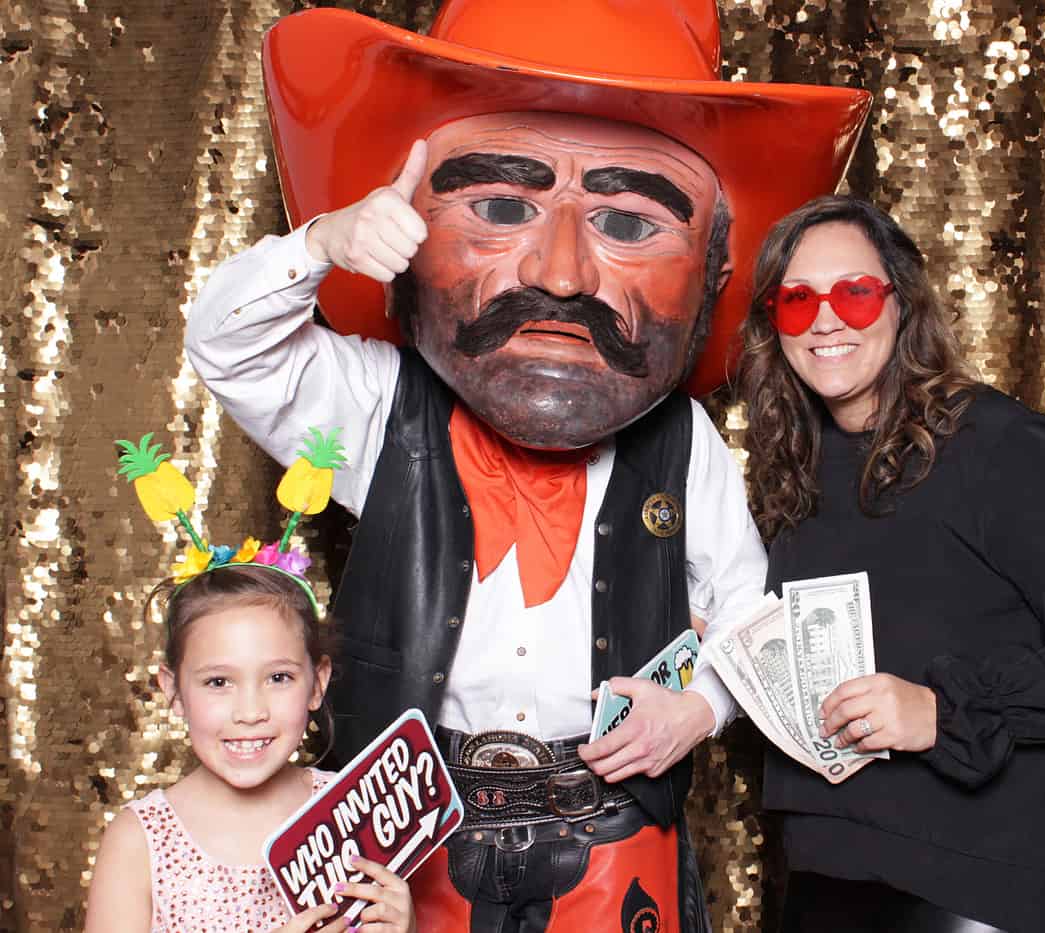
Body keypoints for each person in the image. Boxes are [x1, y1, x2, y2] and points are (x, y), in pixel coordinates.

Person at [184, 1, 871, 929]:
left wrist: (699, 708)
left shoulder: (681, 442)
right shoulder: (377, 405)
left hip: (613, 831)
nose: (559, 274)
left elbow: (751, 616)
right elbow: (232, 351)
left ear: (713, 273)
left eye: (626, 225)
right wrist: (321, 244)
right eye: (502, 208)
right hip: (407, 848)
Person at [734, 196, 1045, 933]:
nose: (826, 320)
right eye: (798, 299)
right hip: (826, 874)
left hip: (988, 882)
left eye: (854, 292)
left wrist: (940, 711)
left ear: (902, 305)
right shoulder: (793, 473)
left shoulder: (999, 446)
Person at [84, 564, 417, 933]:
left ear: (317, 684)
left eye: (278, 678)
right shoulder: (138, 842)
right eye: (218, 681)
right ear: (173, 690)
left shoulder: (361, 807)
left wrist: (405, 927)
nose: (250, 712)